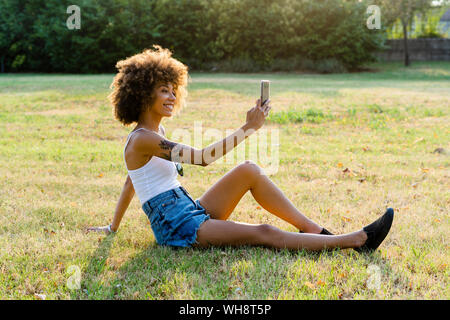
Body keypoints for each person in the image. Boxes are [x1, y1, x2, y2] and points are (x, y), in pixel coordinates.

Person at [87, 45, 394, 253]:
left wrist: (112, 227)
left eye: (172, 90)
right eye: (162, 90)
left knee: (249, 169)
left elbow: (132, 181)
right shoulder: (142, 139)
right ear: (141, 95)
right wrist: (248, 128)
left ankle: (315, 230)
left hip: (187, 208)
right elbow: (204, 159)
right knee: (264, 233)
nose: (170, 96)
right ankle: (356, 241)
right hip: (176, 226)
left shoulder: (156, 132)